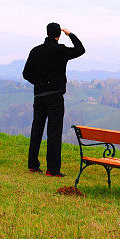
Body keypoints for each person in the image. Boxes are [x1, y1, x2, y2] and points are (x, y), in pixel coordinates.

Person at [22, 22, 85, 176]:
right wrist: (70, 34)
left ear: (47, 33)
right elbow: (80, 50)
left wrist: (39, 83)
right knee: (54, 132)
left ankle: (33, 165)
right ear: (58, 35)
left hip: (39, 95)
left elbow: (26, 74)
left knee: (36, 129)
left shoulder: (35, 51)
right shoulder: (61, 50)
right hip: (55, 96)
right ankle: (53, 169)